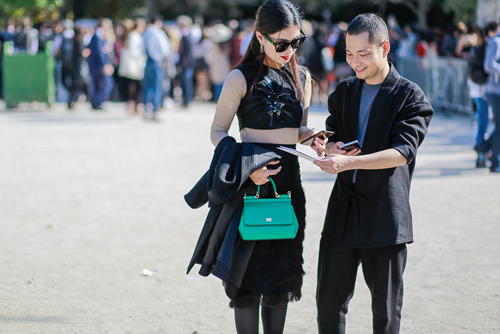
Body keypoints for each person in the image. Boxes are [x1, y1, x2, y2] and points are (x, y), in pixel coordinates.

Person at [185, 1, 325, 333]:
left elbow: (296, 129)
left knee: (280, 282)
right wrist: (246, 168)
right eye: (282, 43)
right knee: (246, 284)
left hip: (289, 189)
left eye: (297, 41)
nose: (290, 50)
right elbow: (217, 131)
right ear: (260, 36)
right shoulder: (240, 76)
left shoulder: (302, 77)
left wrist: (312, 136)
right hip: (248, 188)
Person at [314, 14, 434, 333]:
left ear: (385, 48)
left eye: (363, 53)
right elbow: (331, 138)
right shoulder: (344, 92)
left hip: (385, 216)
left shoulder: (410, 96)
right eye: (349, 53)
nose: (355, 62)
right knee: (328, 305)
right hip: (342, 212)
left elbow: (401, 153)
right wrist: (325, 146)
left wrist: (348, 163)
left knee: (385, 314)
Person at [456, 23, 490, 168]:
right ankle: (481, 150)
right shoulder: (480, 46)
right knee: (484, 122)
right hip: (481, 89)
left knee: (483, 121)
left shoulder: (477, 48)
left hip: (477, 88)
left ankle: (482, 151)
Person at [481, 21, 500, 173]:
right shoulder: (496, 42)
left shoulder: (493, 41)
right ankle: (494, 161)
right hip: (495, 91)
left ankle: (483, 146)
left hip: (493, 90)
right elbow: (489, 65)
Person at [142, 17, 170, 120]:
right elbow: (165, 49)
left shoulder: (145, 33)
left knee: (147, 87)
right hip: (157, 61)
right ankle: (155, 110)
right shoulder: (158, 33)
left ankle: (145, 109)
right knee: (157, 87)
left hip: (147, 61)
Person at [119, 18, 146, 115]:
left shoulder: (134, 35)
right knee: (135, 86)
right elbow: (134, 51)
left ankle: (134, 106)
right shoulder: (134, 36)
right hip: (135, 65)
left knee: (134, 86)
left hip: (135, 64)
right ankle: (133, 106)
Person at [87, 18, 114, 110]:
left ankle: (96, 102)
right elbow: (99, 53)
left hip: (96, 65)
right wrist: (104, 65)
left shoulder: (97, 36)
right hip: (98, 65)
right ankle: (98, 102)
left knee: (98, 84)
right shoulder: (98, 36)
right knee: (106, 84)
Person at [177, 15, 195, 108]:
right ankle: (186, 100)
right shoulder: (188, 34)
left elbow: (186, 52)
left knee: (186, 82)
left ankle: (186, 100)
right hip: (187, 62)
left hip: (186, 63)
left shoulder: (186, 34)